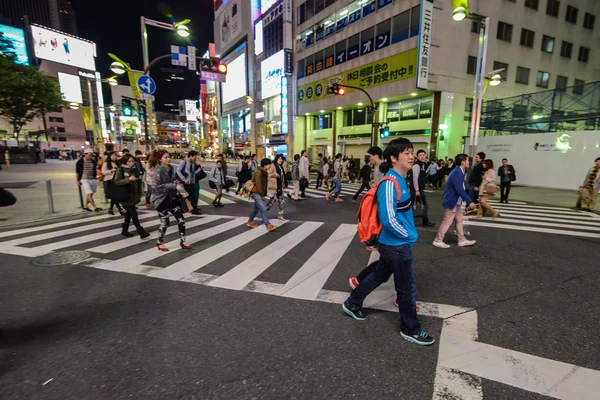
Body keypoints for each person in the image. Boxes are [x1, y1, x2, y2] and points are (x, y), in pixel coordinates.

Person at [342, 138, 434, 346]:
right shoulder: (390, 183)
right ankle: (410, 328)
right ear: (393, 158)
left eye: (412, 152)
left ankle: (352, 303)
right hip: (396, 245)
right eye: (406, 153)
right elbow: (389, 218)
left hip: (394, 243)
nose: (411, 156)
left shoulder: (401, 179)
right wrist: (409, 235)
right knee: (407, 287)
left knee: (377, 276)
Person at [432, 153, 477, 248]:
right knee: (447, 221)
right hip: (452, 201)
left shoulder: (459, 171)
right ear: (463, 162)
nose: (469, 162)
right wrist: (470, 201)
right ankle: (438, 240)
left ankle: (461, 240)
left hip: (455, 201)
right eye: (467, 160)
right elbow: (459, 189)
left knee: (459, 220)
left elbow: (460, 189)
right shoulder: (457, 172)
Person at [150, 149, 192, 251]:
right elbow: (156, 187)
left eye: (169, 157)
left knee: (181, 219)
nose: (168, 159)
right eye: (166, 157)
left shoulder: (171, 168)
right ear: (160, 159)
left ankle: (183, 241)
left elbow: (171, 180)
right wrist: (173, 185)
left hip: (171, 198)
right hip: (160, 200)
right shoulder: (158, 171)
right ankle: (159, 242)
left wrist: (175, 181)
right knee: (165, 222)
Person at [113, 154, 150, 239]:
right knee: (134, 214)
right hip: (125, 196)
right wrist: (128, 180)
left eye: (133, 161)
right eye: (129, 161)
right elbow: (116, 182)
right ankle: (141, 231)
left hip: (133, 196)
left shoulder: (134, 170)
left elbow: (138, 182)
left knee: (129, 214)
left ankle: (124, 230)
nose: (131, 163)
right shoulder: (120, 169)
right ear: (125, 161)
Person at [247, 158, 277, 231]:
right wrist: (262, 194)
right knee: (263, 208)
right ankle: (268, 225)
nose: (270, 166)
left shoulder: (264, 172)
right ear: (265, 165)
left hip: (259, 192)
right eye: (269, 164)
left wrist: (264, 193)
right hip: (256, 192)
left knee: (256, 209)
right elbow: (259, 184)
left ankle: (250, 221)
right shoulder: (259, 172)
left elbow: (264, 184)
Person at [411, 150, 436, 227]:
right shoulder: (417, 165)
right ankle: (424, 222)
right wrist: (417, 190)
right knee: (422, 205)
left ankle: (425, 221)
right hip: (416, 190)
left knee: (417, 205)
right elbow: (415, 178)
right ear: (417, 157)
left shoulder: (423, 164)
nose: (422, 157)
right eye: (420, 155)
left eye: (423, 155)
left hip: (419, 189)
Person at [176, 150, 202, 214]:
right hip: (186, 182)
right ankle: (193, 210)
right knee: (192, 196)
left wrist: (198, 171)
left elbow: (192, 173)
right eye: (195, 157)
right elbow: (178, 171)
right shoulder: (184, 162)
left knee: (193, 196)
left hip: (192, 182)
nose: (196, 158)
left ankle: (193, 208)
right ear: (190, 156)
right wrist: (184, 179)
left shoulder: (192, 163)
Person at [271, 154, 288, 221]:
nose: (281, 160)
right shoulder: (273, 165)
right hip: (274, 187)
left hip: (279, 187)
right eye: (279, 159)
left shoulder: (280, 166)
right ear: (276, 159)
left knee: (282, 202)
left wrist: (284, 184)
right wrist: (274, 175)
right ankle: (262, 212)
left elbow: (282, 176)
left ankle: (280, 215)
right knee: (270, 203)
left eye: (282, 159)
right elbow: (268, 174)